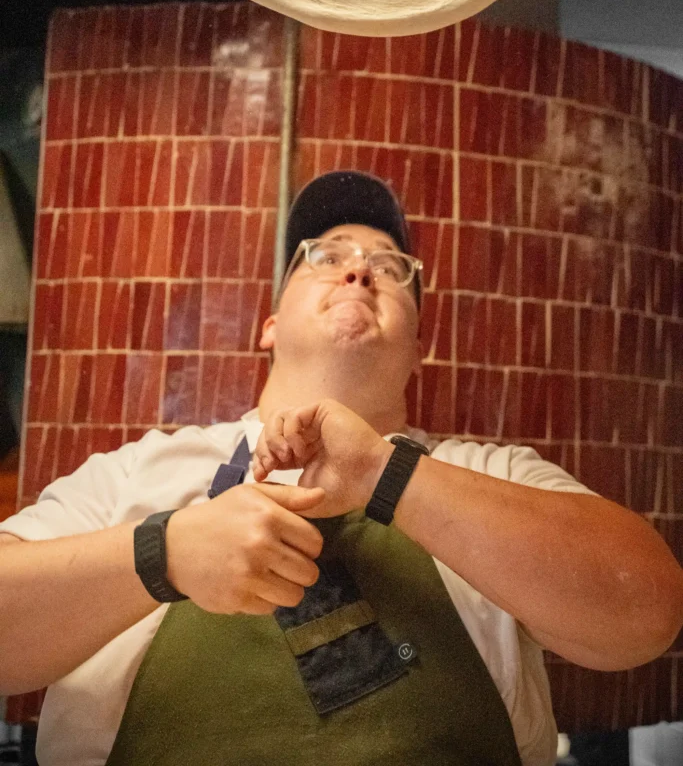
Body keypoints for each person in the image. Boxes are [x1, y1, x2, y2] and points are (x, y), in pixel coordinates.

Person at [0, 170, 681, 766]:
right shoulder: (138, 473)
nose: (358, 271)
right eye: (324, 257)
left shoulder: (490, 473)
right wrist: (163, 552)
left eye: (390, 267)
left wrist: (389, 475)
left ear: (419, 347)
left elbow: (644, 614)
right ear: (268, 325)